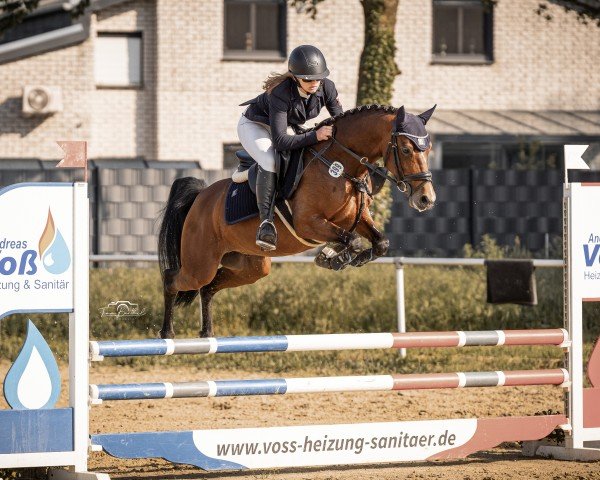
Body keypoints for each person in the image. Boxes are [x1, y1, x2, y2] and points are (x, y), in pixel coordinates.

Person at [238, 45, 344, 251]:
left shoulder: (327, 87)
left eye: (318, 78)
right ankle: (266, 224)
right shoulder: (281, 93)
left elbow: (341, 122)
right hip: (256, 126)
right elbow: (280, 142)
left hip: (287, 126)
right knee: (270, 159)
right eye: (308, 79)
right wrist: (315, 135)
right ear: (295, 77)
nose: (314, 83)